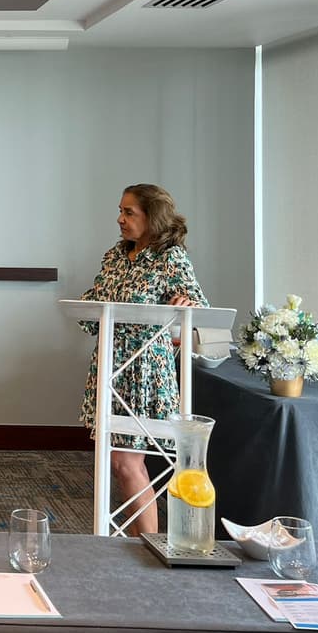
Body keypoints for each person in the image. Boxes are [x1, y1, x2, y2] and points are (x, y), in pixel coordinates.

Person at [79, 183, 207, 536]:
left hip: (146, 371)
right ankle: (140, 547)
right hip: (110, 367)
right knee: (119, 463)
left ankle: (148, 546)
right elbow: (94, 305)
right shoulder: (116, 256)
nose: (120, 219)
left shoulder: (171, 258)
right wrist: (85, 306)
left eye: (128, 212)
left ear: (152, 217)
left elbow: (199, 311)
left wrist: (187, 308)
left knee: (125, 461)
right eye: (120, 211)